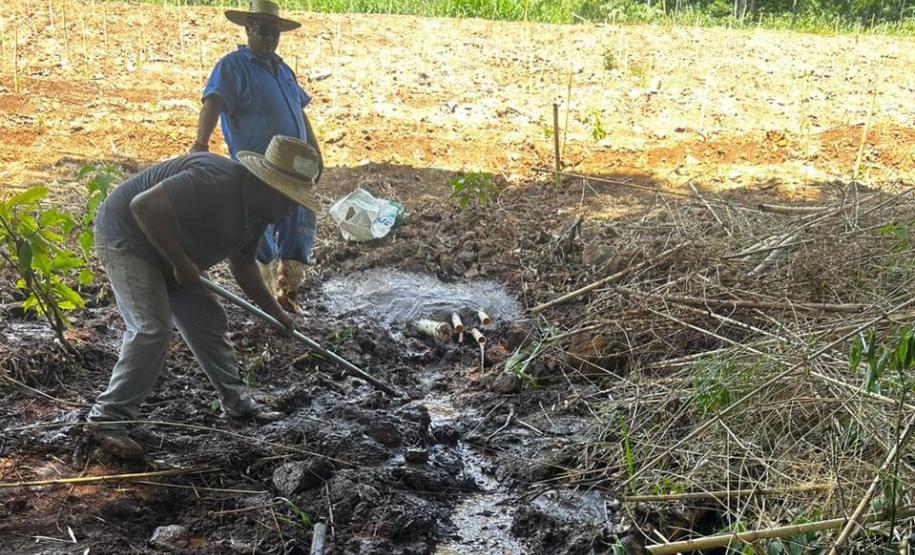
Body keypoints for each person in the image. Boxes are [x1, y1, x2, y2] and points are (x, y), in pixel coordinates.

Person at [88, 135, 321, 460]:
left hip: (177, 254)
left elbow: (243, 264)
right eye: (289, 199)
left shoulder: (258, 211)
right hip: (129, 238)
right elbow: (143, 206)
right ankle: (108, 418)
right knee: (151, 329)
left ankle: (238, 403)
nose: (290, 209)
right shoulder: (215, 180)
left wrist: (274, 313)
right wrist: (180, 262)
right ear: (268, 186)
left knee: (209, 320)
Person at [192, 0, 321, 313]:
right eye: (263, 30)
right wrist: (200, 143)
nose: (269, 37)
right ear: (248, 29)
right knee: (258, 227)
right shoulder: (233, 66)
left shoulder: (284, 70)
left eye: (274, 31)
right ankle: (264, 297)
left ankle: (288, 291)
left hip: (293, 168)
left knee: (297, 221)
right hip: (259, 168)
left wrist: (316, 151)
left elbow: (300, 113)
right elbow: (213, 103)